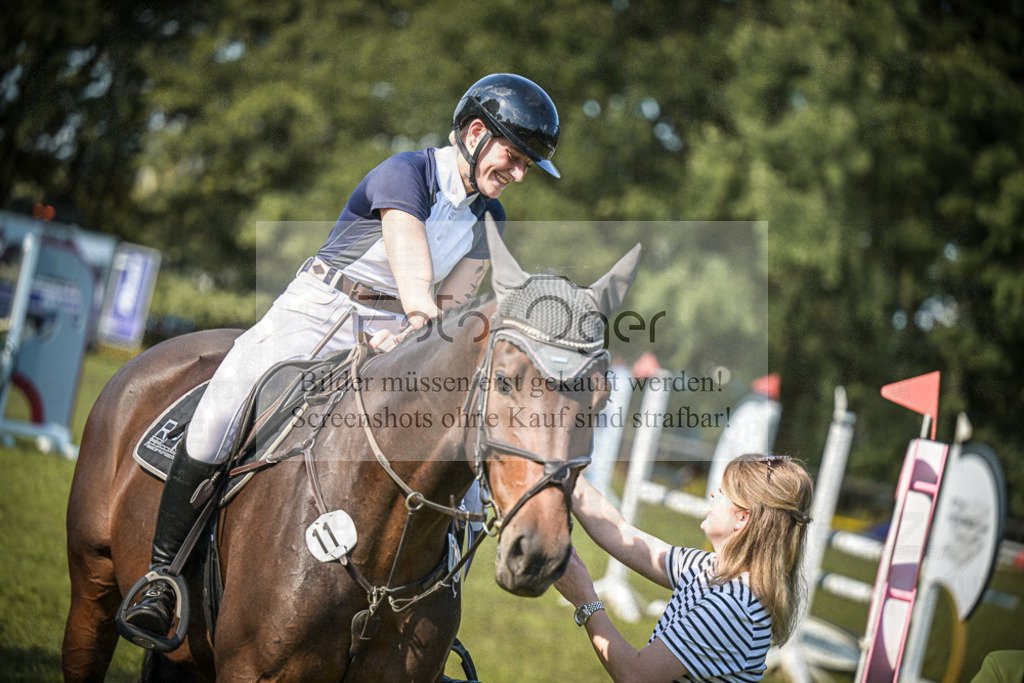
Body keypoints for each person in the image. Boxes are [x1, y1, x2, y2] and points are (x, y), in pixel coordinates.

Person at [124, 73, 562, 639]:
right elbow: (414, 272)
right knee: (218, 416)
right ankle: (162, 579)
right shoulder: (405, 173)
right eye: (514, 155)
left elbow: (452, 305)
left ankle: (425, 627)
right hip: (323, 309)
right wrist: (417, 328)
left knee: (468, 481)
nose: (519, 173)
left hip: (404, 330)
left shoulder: (490, 219)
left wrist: (412, 340)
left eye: (528, 164)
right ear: (475, 132)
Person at [555, 453, 813, 682]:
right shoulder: (710, 569)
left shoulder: (732, 605)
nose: (713, 494)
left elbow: (636, 676)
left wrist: (585, 600)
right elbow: (620, 533)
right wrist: (562, 467)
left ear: (742, 518)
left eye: (723, 492)